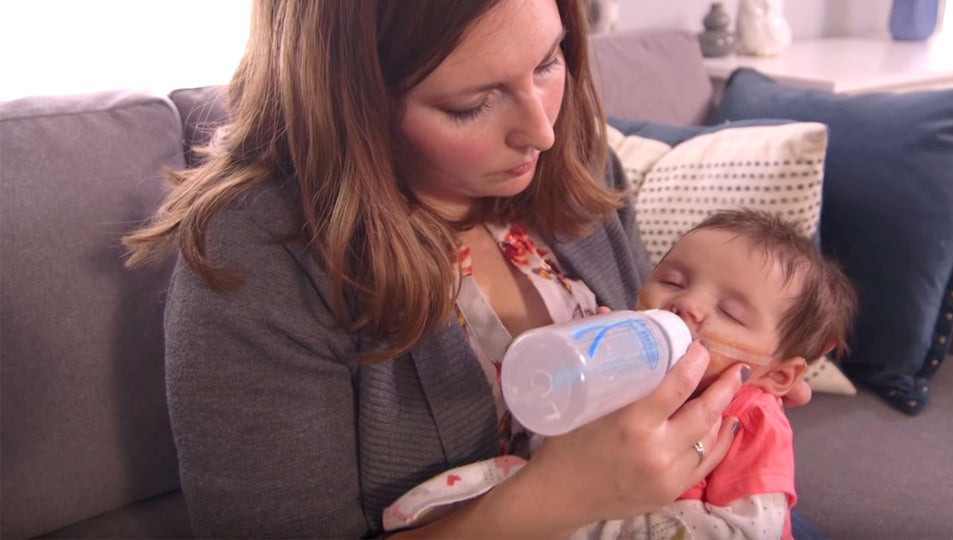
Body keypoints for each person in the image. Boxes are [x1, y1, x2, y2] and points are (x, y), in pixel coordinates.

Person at [123, 0, 810, 538]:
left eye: (548, 62)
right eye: (471, 104)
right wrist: (558, 497)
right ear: (351, 102)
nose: (540, 130)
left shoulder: (573, 168)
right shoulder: (256, 261)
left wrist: (739, 383)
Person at [381, 209, 856, 539]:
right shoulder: (630, 368)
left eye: (730, 312)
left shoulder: (751, 417)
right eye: (672, 280)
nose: (686, 305)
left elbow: (755, 528)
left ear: (777, 376)